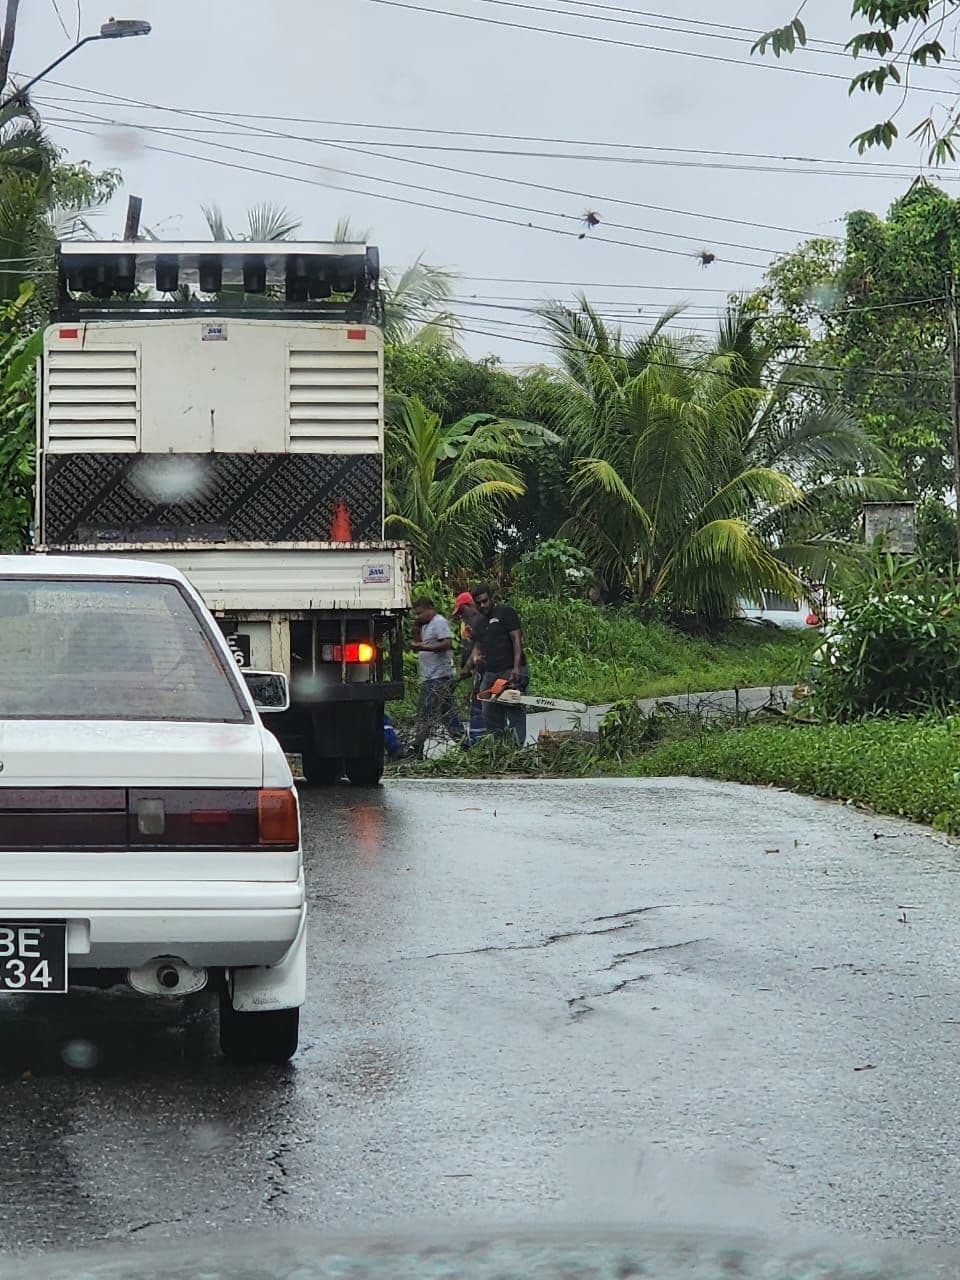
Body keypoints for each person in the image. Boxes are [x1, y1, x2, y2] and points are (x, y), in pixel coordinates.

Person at [467, 584, 529, 744]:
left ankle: (516, 748)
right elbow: (477, 646)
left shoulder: (505, 613)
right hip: (490, 673)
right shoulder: (479, 623)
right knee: (489, 713)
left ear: (491, 598)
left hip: (510, 669)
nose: (483, 605)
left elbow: (516, 639)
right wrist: (475, 658)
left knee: (513, 709)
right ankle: (499, 748)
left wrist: (517, 667)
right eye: (479, 603)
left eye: (485, 601)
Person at [409, 596, 464, 757]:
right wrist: (416, 629)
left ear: (429, 609)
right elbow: (418, 644)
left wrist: (423, 646)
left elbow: (446, 644)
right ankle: (464, 743)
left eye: (420, 613)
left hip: (439, 676)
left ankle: (417, 748)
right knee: (447, 713)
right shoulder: (425, 626)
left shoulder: (439, 622)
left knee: (425, 712)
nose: (419, 616)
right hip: (429, 676)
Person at [453, 590, 485, 746]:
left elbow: (477, 649)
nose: (460, 615)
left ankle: (479, 740)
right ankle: (478, 739)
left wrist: (466, 669)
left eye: (461, 610)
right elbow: (466, 648)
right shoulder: (465, 624)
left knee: (480, 704)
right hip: (476, 668)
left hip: (485, 668)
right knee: (477, 702)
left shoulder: (479, 620)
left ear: (469, 605)